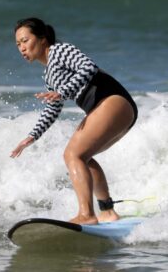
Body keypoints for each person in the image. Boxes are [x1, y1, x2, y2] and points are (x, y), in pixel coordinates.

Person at [11, 17, 138, 225]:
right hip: (115, 108)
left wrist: (62, 91)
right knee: (83, 157)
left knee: (72, 154)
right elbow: (53, 108)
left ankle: (86, 215)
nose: (21, 48)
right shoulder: (48, 74)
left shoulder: (59, 51)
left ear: (42, 39)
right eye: (18, 44)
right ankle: (107, 211)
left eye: (25, 40)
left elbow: (88, 67)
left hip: (112, 100)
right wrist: (31, 136)